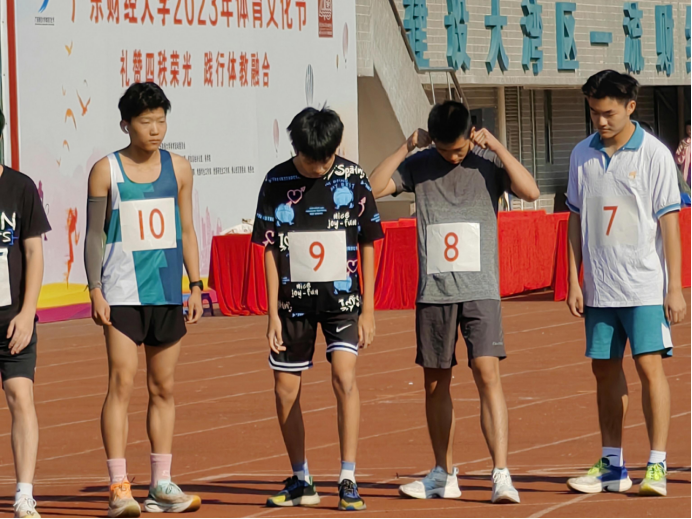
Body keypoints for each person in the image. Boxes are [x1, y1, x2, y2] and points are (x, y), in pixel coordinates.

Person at [369, 101, 540, 504]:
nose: (452, 157)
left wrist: (497, 147)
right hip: (435, 292)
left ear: (471, 135)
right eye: (445, 151)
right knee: (434, 383)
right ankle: (442, 474)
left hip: (481, 289)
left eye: (459, 149)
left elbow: (531, 191)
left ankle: (501, 473)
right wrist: (406, 146)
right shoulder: (420, 164)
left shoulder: (487, 162)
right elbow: (371, 189)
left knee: (487, 373)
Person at [252, 107, 384, 512]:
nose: (320, 166)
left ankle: (348, 477)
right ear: (297, 149)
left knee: (344, 377)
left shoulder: (353, 178)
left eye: (327, 158)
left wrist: (368, 309)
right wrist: (272, 314)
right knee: (285, 389)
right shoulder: (276, 181)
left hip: (343, 301)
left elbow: (369, 240)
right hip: (292, 304)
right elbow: (268, 248)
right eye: (312, 160)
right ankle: (301, 479)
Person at [566, 70, 687, 497]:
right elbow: (575, 219)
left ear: (631, 107)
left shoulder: (654, 154)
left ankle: (657, 464)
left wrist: (674, 287)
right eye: (594, 112)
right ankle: (612, 465)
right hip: (600, 288)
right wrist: (574, 279)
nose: (600, 121)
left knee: (649, 367)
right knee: (604, 371)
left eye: (609, 113)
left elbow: (670, 223)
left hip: (643, 287)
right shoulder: (581, 154)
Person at [85, 83, 204, 518]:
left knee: (163, 387)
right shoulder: (105, 170)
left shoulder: (180, 169)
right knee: (121, 382)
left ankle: (161, 484)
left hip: (167, 292)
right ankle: (119, 487)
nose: (155, 130)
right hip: (120, 294)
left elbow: (187, 229)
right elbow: (94, 235)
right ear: (126, 124)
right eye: (145, 121)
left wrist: (196, 284)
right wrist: (94, 289)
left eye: (161, 120)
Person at [0, 109, 51, 519]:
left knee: (21, 396)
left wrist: (27, 311)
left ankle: (24, 494)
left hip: (12, 320)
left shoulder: (19, 187)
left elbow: (34, 252)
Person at [675, 120, 691, 189]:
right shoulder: (684, 142)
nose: (689, 132)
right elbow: (678, 160)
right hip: (688, 171)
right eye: (687, 130)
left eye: (690, 129)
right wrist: (682, 152)